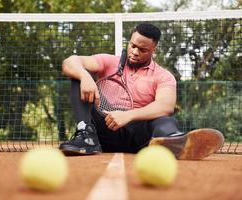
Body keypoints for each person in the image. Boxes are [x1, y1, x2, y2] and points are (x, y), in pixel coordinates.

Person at [59, 23, 224, 160]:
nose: (135, 52)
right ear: (129, 41)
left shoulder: (163, 76)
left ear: (154, 49)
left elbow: (165, 105)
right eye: (133, 45)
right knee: (77, 78)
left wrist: (128, 115)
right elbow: (70, 62)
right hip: (102, 132)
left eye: (143, 50)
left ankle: (174, 141)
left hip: (138, 138)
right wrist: (84, 76)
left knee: (164, 120)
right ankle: (86, 137)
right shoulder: (109, 62)